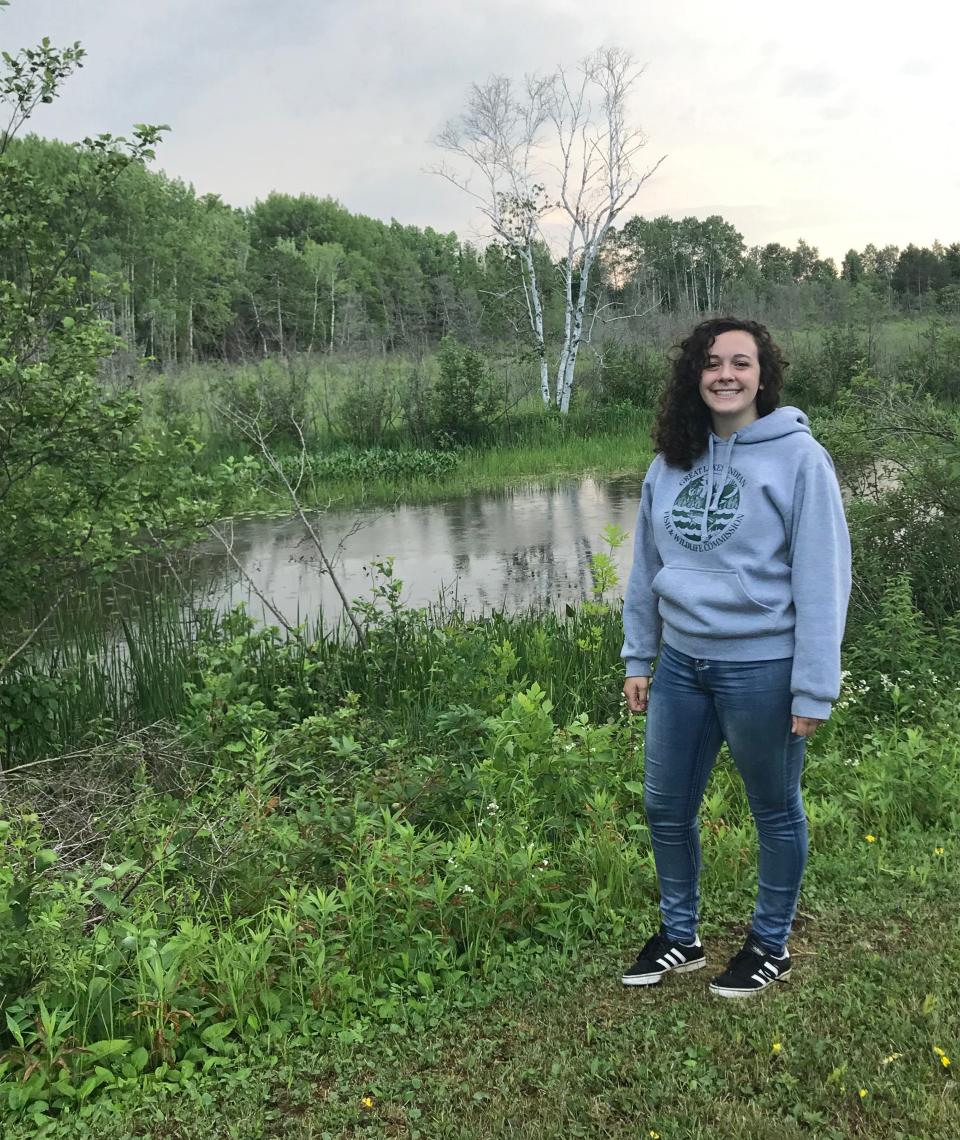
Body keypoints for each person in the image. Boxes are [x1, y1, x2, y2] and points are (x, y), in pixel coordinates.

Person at [619, 316, 851, 999]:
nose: (725, 374)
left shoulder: (800, 458)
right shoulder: (671, 462)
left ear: (762, 375)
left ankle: (769, 945)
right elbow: (646, 568)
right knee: (666, 805)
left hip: (763, 669)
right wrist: (640, 656)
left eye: (740, 363)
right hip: (683, 667)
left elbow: (822, 577)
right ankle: (680, 936)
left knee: (774, 809)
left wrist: (813, 688)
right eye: (712, 362)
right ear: (695, 375)